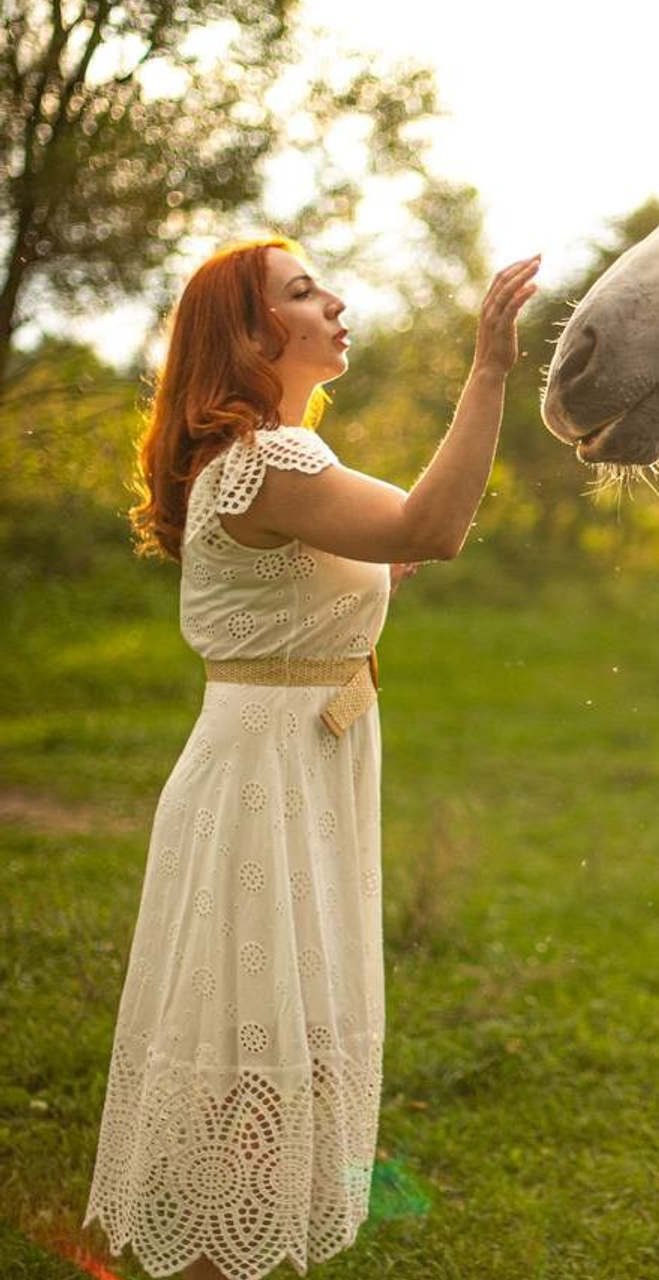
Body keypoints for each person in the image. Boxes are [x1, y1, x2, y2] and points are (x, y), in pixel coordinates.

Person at [81, 237, 539, 1280]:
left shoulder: (262, 460)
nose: (335, 301)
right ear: (249, 337)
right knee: (251, 1065)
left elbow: (351, 560)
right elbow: (433, 521)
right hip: (266, 783)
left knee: (256, 1057)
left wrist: (379, 569)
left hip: (281, 763)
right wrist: (488, 369)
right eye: (301, 292)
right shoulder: (271, 460)